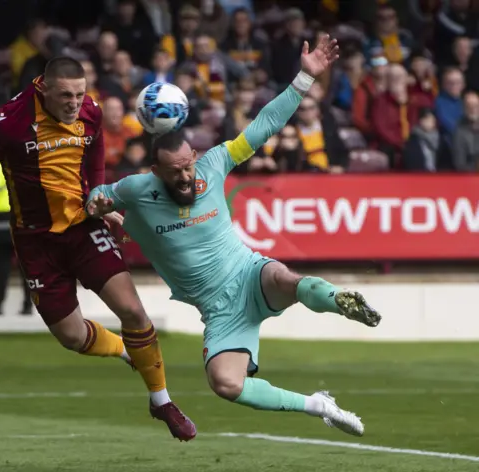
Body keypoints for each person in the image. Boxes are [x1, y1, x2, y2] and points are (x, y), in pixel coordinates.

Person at [86, 36, 381, 437]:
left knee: (288, 281)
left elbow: (264, 126)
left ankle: (339, 301)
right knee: (226, 384)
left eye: (189, 166)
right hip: (220, 312)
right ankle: (317, 405)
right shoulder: (137, 189)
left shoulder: (214, 164)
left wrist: (304, 78)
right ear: (156, 171)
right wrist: (98, 204)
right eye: (176, 172)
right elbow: (100, 195)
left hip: (249, 274)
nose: (188, 177)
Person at [0, 57, 196, 442]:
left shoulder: (91, 111)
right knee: (70, 336)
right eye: (66, 95)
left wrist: (100, 198)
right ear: (44, 89)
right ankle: (124, 351)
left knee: (133, 310)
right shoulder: (7, 123)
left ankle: (162, 401)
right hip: (35, 241)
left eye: (80, 93)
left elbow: (97, 147)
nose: (74, 102)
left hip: (83, 227)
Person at [0, 164, 33, 315]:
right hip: (25, 218)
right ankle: (28, 305)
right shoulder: (28, 164)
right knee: (27, 266)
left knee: (1, 264)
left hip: (1, 220)